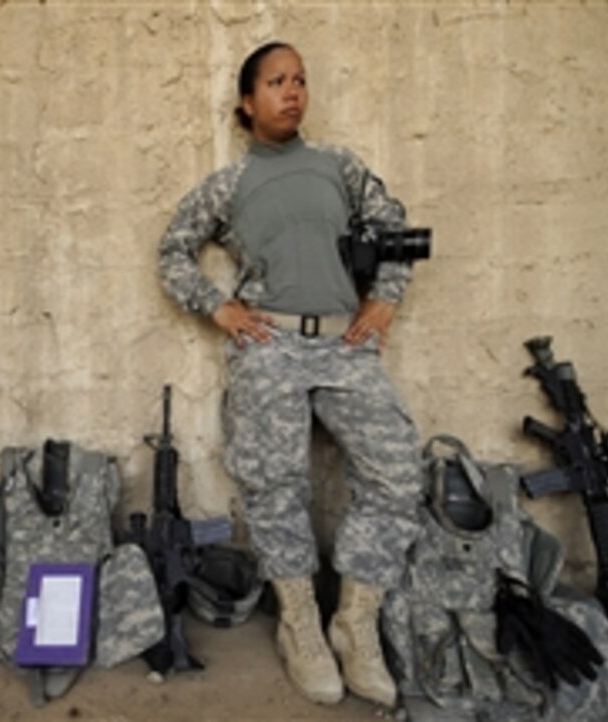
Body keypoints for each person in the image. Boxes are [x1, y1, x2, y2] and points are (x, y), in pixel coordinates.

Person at [157, 41, 425, 709]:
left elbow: (393, 226)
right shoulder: (231, 184)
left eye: (301, 80)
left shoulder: (337, 166)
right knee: (274, 483)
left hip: (344, 343)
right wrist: (218, 305)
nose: (293, 90)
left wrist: (386, 293)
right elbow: (172, 250)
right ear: (248, 103)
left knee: (396, 471)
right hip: (269, 344)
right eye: (276, 81)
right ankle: (300, 624)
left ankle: (354, 623)